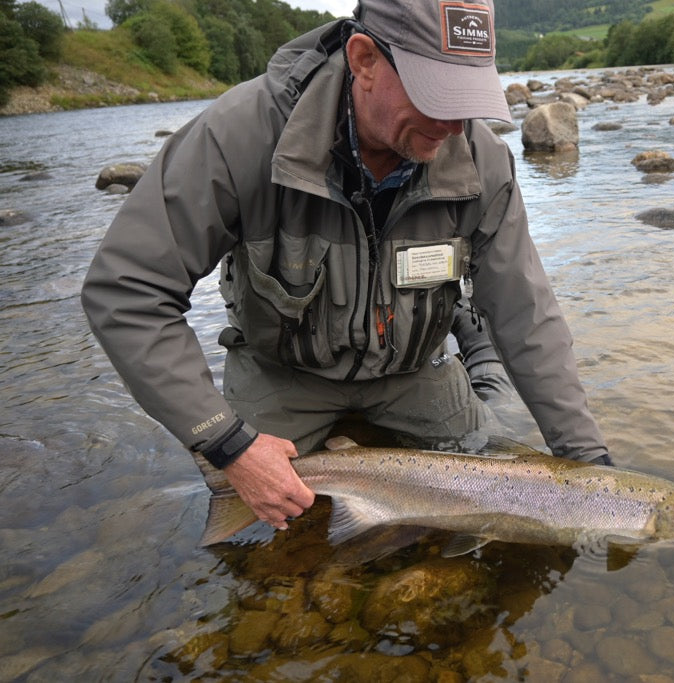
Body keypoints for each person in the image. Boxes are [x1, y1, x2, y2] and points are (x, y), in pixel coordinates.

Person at [81, 0, 610, 535]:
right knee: (259, 529)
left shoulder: (483, 159)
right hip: (285, 373)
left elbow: (525, 314)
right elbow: (128, 291)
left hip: (412, 375)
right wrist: (227, 442)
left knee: (497, 498)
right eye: (438, 96)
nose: (454, 124)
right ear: (364, 60)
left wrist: (589, 463)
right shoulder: (240, 136)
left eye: (468, 99)